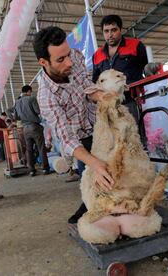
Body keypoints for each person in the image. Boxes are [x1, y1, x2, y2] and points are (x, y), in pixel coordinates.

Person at [33, 26, 115, 223]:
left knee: (115, 171)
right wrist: (94, 163)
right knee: (92, 176)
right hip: (79, 140)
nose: (70, 62)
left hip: (99, 125)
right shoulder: (46, 96)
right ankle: (88, 208)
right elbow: (67, 139)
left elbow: (88, 85)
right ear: (43, 62)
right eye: (60, 60)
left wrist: (102, 96)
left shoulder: (75, 57)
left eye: (68, 54)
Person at [92, 14, 148, 122]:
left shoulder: (136, 46)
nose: (110, 35)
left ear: (120, 29)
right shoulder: (97, 55)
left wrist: (150, 70)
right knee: (115, 137)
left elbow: (146, 69)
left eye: (113, 30)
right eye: (106, 31)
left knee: (135, 135)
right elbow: (95, 81)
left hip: (132, 102)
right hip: (109, 106)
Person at [14, 85, 50, 176]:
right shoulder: (31, 98)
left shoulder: (17, 102)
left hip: (25, 128)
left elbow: (16, 117)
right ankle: (45, 168)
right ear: (29, 91)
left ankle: (31, 170)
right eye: (31, 92)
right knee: (41, 148)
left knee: (29, 150)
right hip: (34, 126)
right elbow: (37, 111)